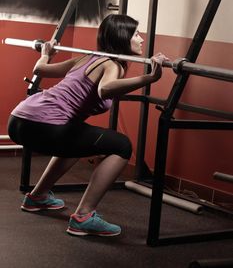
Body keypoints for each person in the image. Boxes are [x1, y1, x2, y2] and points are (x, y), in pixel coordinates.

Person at [8, 14, 169, 237]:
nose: (141, 39)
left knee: (79, 140)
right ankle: (84, 216)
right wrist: (150, 79)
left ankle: (38, 196)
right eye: (136, 34)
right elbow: (106, 89)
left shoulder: (86, 58)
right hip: (45, 125)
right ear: (122, 38)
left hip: (18, 120)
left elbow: (40, 70)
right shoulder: (113, 64)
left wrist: (46, 54)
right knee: (122, 146)